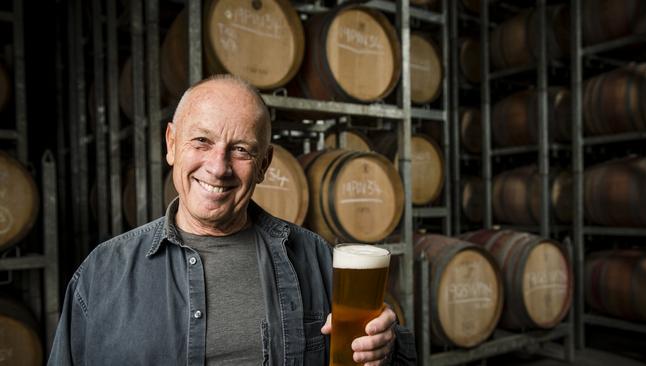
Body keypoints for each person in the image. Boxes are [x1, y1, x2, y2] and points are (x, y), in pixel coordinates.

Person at [48, 75, 416, 365]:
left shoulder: (314, 257)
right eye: (201, 141)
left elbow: (376, 352)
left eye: (240, 150)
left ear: (264, 165)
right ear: (171, 144)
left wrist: (385, 351)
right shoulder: (102, 273)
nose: (218, 167)